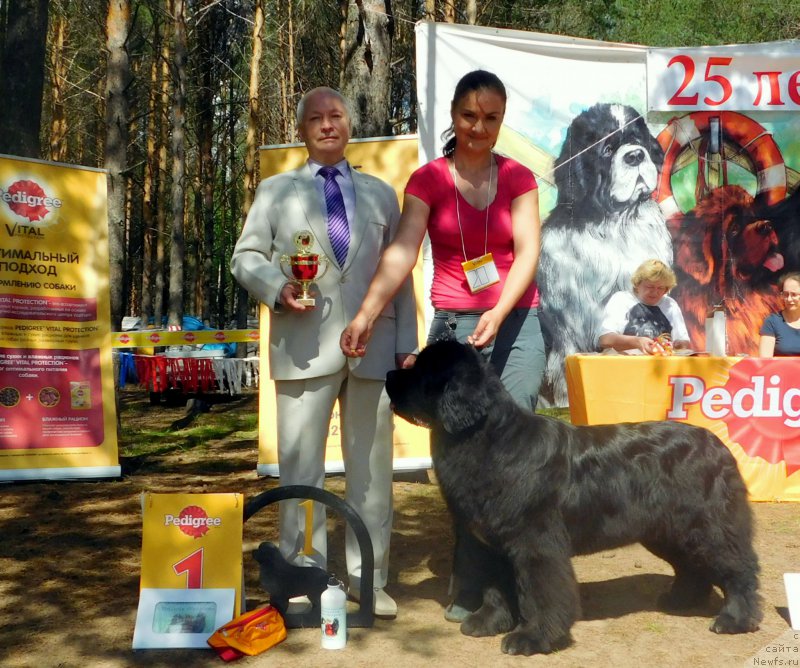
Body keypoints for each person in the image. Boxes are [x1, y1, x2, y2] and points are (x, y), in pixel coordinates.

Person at [340, 70, 546, 622]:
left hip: (517, 323)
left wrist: (501, 310)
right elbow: (404, 251)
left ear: (502, 121)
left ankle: (519, 586)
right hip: (454, 331)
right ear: (453, 116)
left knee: (515, 462)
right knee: (458, 461)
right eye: (469, 116)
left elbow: (528, 253)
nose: (480, 128)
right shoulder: (429, 179)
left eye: (492, 118)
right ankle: (471, 579)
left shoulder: (520, 178)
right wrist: (365, 314)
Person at [230, 87, 418, 618]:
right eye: (316, 118)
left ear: (349, 124)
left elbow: (397, 275)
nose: (327, 124)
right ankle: (302, 574)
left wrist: (407, 346)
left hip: (374, 351)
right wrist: (276, 287)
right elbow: (245, 256)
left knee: (372, 474)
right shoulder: (274, 191)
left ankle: (368, 580)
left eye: (336, 115)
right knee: (299, 471)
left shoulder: (383, 194)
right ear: (302, 129)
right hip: (303, 347)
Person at [597, 259, 691, 354]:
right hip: (625, 363)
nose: (655, 292)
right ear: (637, 284)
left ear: (666, 289)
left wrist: (679, 344)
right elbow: (605, 340)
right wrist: (637, 342)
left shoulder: (670, 305)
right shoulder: (622, 299)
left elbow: (684, 342)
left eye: (660, 288)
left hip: (660, 365)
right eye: (650, 287)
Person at [758, 272, 800, 357]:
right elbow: (765, 361)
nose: (789, 299)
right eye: (785, 294)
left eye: (794, 294)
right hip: (780, 370)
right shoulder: (772, 322)